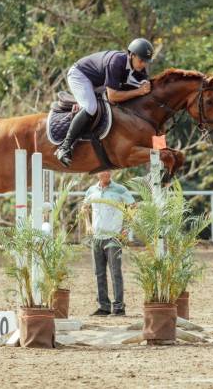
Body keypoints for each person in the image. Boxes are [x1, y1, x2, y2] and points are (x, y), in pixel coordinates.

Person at [55, 38, 155, 167]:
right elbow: (113, 96)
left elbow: (144, 87)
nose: (143, 65)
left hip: (98, 82)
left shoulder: (139, 68)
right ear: (131, 55)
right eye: (141, 60)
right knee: (91, 107)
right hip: (80, 75)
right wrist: (139, 91)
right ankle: (64, 147)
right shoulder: (116, 62)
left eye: (146, 62)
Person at [82, 171, 135, 316]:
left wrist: (126, 228)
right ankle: (103, 307)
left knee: (115, 272)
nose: (106, 173)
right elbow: (84, 207)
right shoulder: (91, 190)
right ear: (97, 173)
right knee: (99, 272)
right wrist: (87, 224)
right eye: (102, 170)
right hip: (97, 237)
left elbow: (133, 207)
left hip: (114, 237)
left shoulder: (120, 189)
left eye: (108, 170)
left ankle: (119, 307)